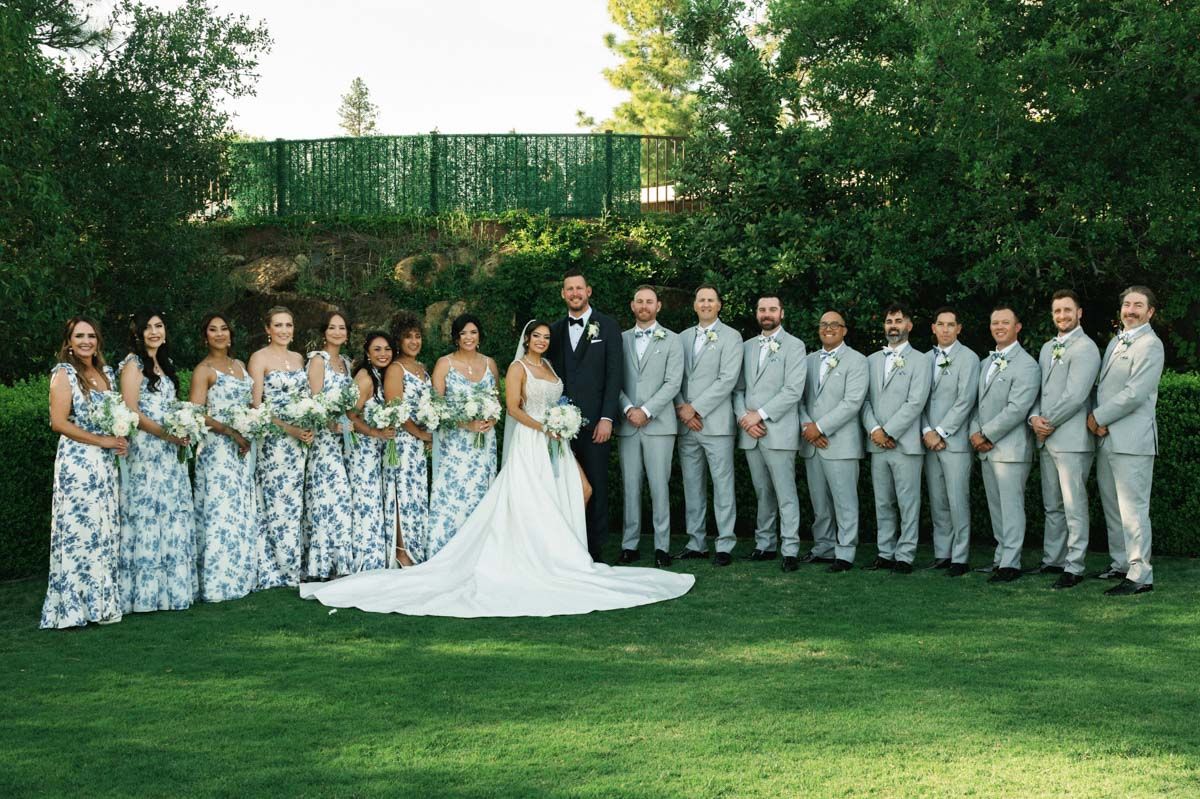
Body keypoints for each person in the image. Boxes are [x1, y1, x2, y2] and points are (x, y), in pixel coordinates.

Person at [299, 321, 695, 617]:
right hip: (527, 439)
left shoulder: (541, 366)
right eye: (536, 336)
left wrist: (562, 422)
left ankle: (559, 554)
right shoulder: (508, 366)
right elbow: (508, 405)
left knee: (575, 491)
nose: (541, 341)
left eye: (546, 337)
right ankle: (528, 555)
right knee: (532, 497)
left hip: (547, 440)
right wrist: (531, 426)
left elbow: (527, 402)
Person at [41, 317, 127, 629]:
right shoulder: (63, 374)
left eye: (91, 335)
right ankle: (73, 608)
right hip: (77, 463)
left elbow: (114, 415)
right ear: (69, 342)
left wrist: (120, 437)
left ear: (98, 340)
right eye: (79, 336)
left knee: (103, 530)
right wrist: (101, 440)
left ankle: (101, 603)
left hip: (104, 464)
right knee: (80, 531)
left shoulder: (106, 374)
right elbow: (58, 422)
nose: (86, 341)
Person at [117, 309, 197, 613]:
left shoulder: (165, 363)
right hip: (147, 452)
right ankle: (145, 594)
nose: (154, 332)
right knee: (148, 514)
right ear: (138, 333)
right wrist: (167, 435)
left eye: (159, 326)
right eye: (148, 327)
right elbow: (132, 411)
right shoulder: (133, 364)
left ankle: (171, 591)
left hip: (170, 454)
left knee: (171, 513)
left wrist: (184, 428)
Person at [1088, 286, 1164, 595]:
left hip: (1133, 440)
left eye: (1138, 305)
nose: (1130, 310)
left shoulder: (1151, 345)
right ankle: (1121, 563)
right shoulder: (1116, 341)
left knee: (1133, 510)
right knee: (1113, 507)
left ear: (1150, 312)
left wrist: (1098, 417)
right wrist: (1099, 422)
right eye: (1127, 304)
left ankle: (1140, 574)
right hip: (1108, 438)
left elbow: (1135, 394)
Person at [1027, 290, 1102, 589]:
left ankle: (1075, 565)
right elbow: (1038, 390)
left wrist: (1047, 423)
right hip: (1047, 438)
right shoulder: (1048, 347)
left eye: (1067, 310)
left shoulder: (1086, 347)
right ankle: (1053, 559)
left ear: (1079, 313)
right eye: (1057, 311)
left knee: (1074, 506)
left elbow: (1076, 395)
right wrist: (1034, 418)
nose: (1062, 315)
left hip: (1071, 440)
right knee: (1052, 505)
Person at [548, 269, 624, 562]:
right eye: (569, 289)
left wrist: (607, 418)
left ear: (588, 291)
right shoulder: (554, 330)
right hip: (561, 426)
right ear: (563, 294)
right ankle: (567, 544)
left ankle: (595, 549)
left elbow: (614, 375)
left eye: (579, 288)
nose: (575, 293)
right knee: (564, 484)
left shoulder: (608, 326)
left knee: (596, 485)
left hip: (596, 424)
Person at [733, 295, 807, 570]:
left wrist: (760, 415)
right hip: (751, 433)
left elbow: (793, 390)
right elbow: (737, 389)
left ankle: (790, 549)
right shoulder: (746, 346)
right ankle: (764, 544)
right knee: (763, 492)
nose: (767, 313)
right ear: (757, 313)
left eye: (772, 309)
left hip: (779, 432)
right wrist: (744, 418)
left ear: (781, 313)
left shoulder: (795, 346)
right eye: (762, 309)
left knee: (785, 494)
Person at [969, 304, 1039, 583]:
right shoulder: (985, 363)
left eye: (1005, 322)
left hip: (1010, 449)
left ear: (1017, 327)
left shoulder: (1027, 364)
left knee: (1011, 508)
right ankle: (1000, 557)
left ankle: (1011, 563)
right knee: (996, 508)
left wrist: (986, 434)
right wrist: (975, 432)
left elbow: (1017, 409)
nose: (999, 327)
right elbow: (976, 404)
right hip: (987, 449)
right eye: (995, 322)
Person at [673, 285, 742, 565]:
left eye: (710, 300)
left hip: (716, 424)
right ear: (694, 304)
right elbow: (674, 378)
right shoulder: (681, 338)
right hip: (686, 424)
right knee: (692, 485)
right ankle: (696, 542)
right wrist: (683, 409)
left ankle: (725, 544)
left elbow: (728, 379)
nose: (705, 304)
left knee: (723, 486)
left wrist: (696, 408)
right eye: (701, 299)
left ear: (719, 305)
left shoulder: (732, 337)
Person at [190, 313, 256, 602]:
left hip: (242, 449)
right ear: (205, 337)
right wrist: (229, 431)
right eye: (212, 330)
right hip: (217, 450)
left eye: (224, 329)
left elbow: (250, 404)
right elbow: (196, 413)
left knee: (239, 510)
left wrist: (251, 426)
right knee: (219, 512)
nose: (219, 334)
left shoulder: (239, 365)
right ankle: (218, 582)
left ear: (230, 334)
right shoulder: (203, 370)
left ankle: (241, 575)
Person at [615, 286, 683, 567]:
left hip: (659, 425)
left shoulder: (673, 340)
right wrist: (628, 408)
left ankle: (661, 546)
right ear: (633, 306)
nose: (644, 306)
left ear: (658, 306)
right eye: (640, 301)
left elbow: (673, 383)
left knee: (659, 486)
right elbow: (613, 379)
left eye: (649, 302)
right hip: (627, 423)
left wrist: (646, 410)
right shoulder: (619, 339)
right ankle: (629, 545)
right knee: (630, 486)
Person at [862, 303, 931, 574]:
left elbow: (916, 402)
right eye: (889, 321)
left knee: (908, 503)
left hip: (906, 444)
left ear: (909, 325)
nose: (893, 326)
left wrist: (889, 432)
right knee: (883, 502)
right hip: (877, 444)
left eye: (899, 321)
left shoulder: (921, 361)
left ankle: (905, 555)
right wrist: (874, 430)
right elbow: (864, 401)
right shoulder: (871, 360)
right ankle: (885, 553)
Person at [248, 305, 312, 590]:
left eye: (288, 325)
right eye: (278, 325)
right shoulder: (259, 358)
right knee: (277, 503)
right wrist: (289, 429)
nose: (284, 330)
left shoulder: (298, 358)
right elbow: (256, 407)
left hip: (300, 444)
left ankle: (295, 565)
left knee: (295, 504)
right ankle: (278, 568)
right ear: (268, 329)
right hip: (274, 441)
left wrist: (308, 424)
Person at [425, 314, 500, 559]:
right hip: (454, 445)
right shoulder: (444, 364)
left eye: (473, 332)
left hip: (484, 444)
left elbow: (497, 403)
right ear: (456, 338)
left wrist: (492, 419)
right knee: (453, 496)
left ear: (479, 336)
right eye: (463, 333)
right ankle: (446, 552)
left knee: (480, 495)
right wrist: (466, 423)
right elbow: (436, 407)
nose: (469, 337)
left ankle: (479, 553)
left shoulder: (490, 364)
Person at [799, 311, 868, 572]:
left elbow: (852, 402)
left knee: (845, 502)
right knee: (820, 504)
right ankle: (824, 547)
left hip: (840, 443)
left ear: (844, 330)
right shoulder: (808, 361)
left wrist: (820, 428)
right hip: (812, 443)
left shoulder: (857, 360)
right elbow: (798, 399)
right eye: (824, 324)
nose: (828, 328)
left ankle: (845, 552)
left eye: (834, 325)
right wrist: (807, 427)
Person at [920, 307, 980, 577]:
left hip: (953, 442)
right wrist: (926, 430)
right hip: (928, 441)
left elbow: (965, 400)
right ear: (933, 328)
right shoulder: (923, 359)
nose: (945, 329)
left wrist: (940, 432)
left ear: (959, 328)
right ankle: (942, 553)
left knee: (957, 501)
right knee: (938, 501)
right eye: (941, 324)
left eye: (950, 325)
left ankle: (960, 557)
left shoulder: (969, 358)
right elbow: (917, 400)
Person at [302, 309, 355, 580]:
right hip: (324, 441)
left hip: (344, 440)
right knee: (328, 498)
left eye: (342, 328)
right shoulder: (318, 360)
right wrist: (330, 424)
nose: (337, 332)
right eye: (332, 327)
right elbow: (314, 402)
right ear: (324, 332)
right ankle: (321, 565)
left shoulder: (346, 363)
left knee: (340, 501)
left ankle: (338, 563)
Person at [383, 312, 432, 566]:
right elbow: (397, 411)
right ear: (398, 340)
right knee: (401, 493)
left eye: (417, 336)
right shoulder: (395, 369)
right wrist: (421, 433)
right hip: (402, 442)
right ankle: (401, 551)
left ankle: (416, 546)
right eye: (408, 337)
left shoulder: (422, 368)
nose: (414, 341)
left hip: (418, 445)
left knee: (416, 494)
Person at [347, 331, 397, 571]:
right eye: (377, 349)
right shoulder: (365, 378)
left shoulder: (381, 375)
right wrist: (376, 433)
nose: (383, 354)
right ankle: (364, 562)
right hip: (362, 451)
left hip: (377, 451)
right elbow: (350, 417)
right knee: (365, 503)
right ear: (367, 352)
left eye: (387, 349)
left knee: (375, 502)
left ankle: (376, 559)